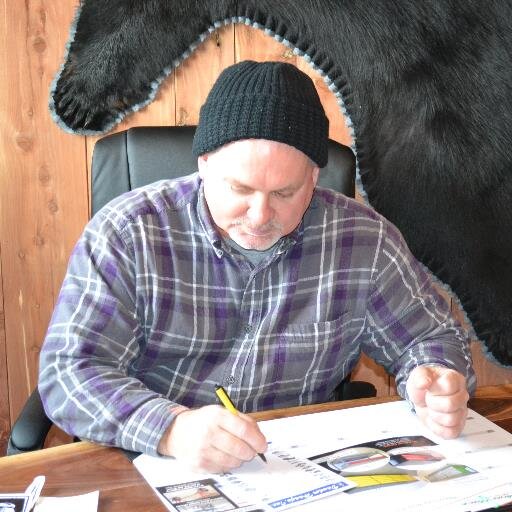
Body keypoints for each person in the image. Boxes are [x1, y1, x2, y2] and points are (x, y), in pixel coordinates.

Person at [39, 60, 476, 474]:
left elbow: (430, 337)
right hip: (158, 463)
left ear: (313, 179)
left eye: (285, 193)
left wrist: (433, 379)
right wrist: (172, 428)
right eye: (240, 188)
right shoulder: (129, 233)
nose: (259, 215)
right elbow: (69, 372)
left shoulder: (362, 240)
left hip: (299, 469)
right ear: (204, 164)